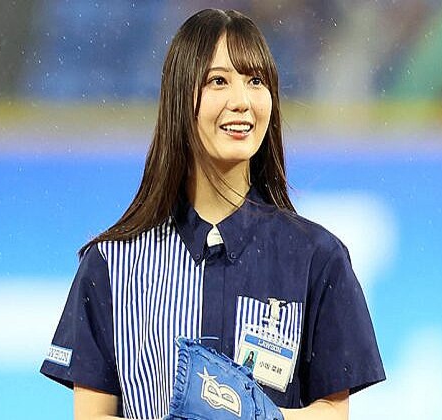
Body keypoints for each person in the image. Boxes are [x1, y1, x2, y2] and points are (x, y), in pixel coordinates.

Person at [40, 8, 386, 420]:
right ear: (179, 96)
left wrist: (255, 416)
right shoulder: (111, 264)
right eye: (218, 81)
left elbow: (332, 413)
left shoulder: (317, 258)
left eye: (256, 81)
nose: (241, 101)